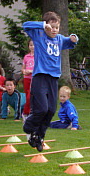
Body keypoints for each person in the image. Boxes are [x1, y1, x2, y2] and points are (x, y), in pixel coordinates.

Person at [22, 11, 78, 152]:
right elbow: (25, 25)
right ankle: (28, 126)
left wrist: (74, 38)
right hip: (40, 77)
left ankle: (39, 136)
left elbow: (71, 40)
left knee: (51, 109)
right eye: (51, 27)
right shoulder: (39, 35)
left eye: (56, 27)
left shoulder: (59, 39)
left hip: (53, 79)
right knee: (41, 109)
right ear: (46, 26)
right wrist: (43, 25)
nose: (54, 30)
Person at [21, 39, 34, 122]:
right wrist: (24, 71)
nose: (32, 47)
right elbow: (23, 68)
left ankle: (25, 113)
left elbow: (39, 69)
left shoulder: (39, 56)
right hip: (26, 79)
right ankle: (28, 114)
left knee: (30, 96)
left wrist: (31, 71)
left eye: (34, 45)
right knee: (27, 96)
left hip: (34, 79)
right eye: (31, 45)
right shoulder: (26, 56)